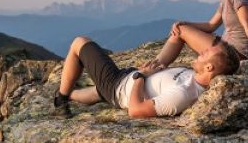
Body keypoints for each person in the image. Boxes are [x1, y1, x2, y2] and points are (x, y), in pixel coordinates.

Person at [54, 35, 239, 119]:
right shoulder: (194, 78)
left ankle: (60, 101)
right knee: (94, 93)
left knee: (80, 42)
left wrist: (141, 76)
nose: (202, 50)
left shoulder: (183, 94)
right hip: (125, 80)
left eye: (207, 53)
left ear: (209, 67)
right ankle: (68, 93)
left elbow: (135, 110)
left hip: (117, 86)